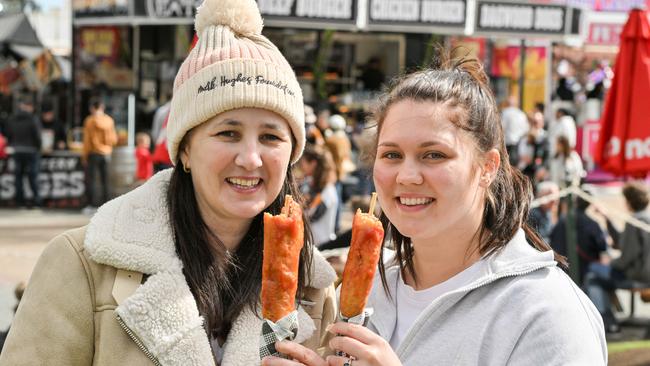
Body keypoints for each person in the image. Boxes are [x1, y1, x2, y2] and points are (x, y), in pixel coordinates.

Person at [0, 0, 337, 365]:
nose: (251, 158)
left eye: (271, 137)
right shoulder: (81, 264)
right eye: (228, 132)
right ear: (185, 150)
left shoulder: (314, 289)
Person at [263, 51, 606, 366]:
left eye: (434, 155)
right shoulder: (366, 294)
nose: (407, 176)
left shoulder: (547, 313)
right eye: (392, 155)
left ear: (488, 167)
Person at [584, 182, 650, 334]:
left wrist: (610, 263)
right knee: (599, 273)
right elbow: (624, 244)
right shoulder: (646, 217)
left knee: (592, 274)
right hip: (644, 272)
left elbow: (627, 257)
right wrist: (607, 217)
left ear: (629, 201)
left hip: (639, 276)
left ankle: (607, 321)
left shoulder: (635, 220)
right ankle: (612, 315)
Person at [549, 194, 608, 286]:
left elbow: (552, 241)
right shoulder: (592, 224)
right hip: (585, 270)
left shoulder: (563, 220)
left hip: (561, 268)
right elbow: (602, 246)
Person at [298, 144, 339, 247]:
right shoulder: (308, 183)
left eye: (303, 163)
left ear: (313, 164)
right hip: (308, 241)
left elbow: (312, 216)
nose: (301, 167)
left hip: (320, 244)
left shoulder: (328, 191)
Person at [5, 95, 42, 208]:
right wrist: (39, 147)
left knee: (18, 177)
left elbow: (8, 135)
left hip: (16, 150)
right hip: (31, 151)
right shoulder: (33, 119)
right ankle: (36, 201)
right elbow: (37, 136)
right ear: (29, 106)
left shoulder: (12, 118)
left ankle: (19, 201)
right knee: (33, 176)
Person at [81, 98, 117, 211]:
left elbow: (87, 140)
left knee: (91, 180)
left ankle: (91, 204)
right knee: (105, 180)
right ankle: (107, 205)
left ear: (92, 108)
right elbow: (113, 139)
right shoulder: (109, 120)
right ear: (102, 108)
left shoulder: (89, 121)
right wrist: (108, 147)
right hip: (106, 153)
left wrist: (84, 155)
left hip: (93, 153)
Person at [500, 95, 529, 166]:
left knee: (506, 165)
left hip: (507, 143)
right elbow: (526, 129)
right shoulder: (521, 114)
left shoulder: (505, 112)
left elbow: (502, 127)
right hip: (519, 143)